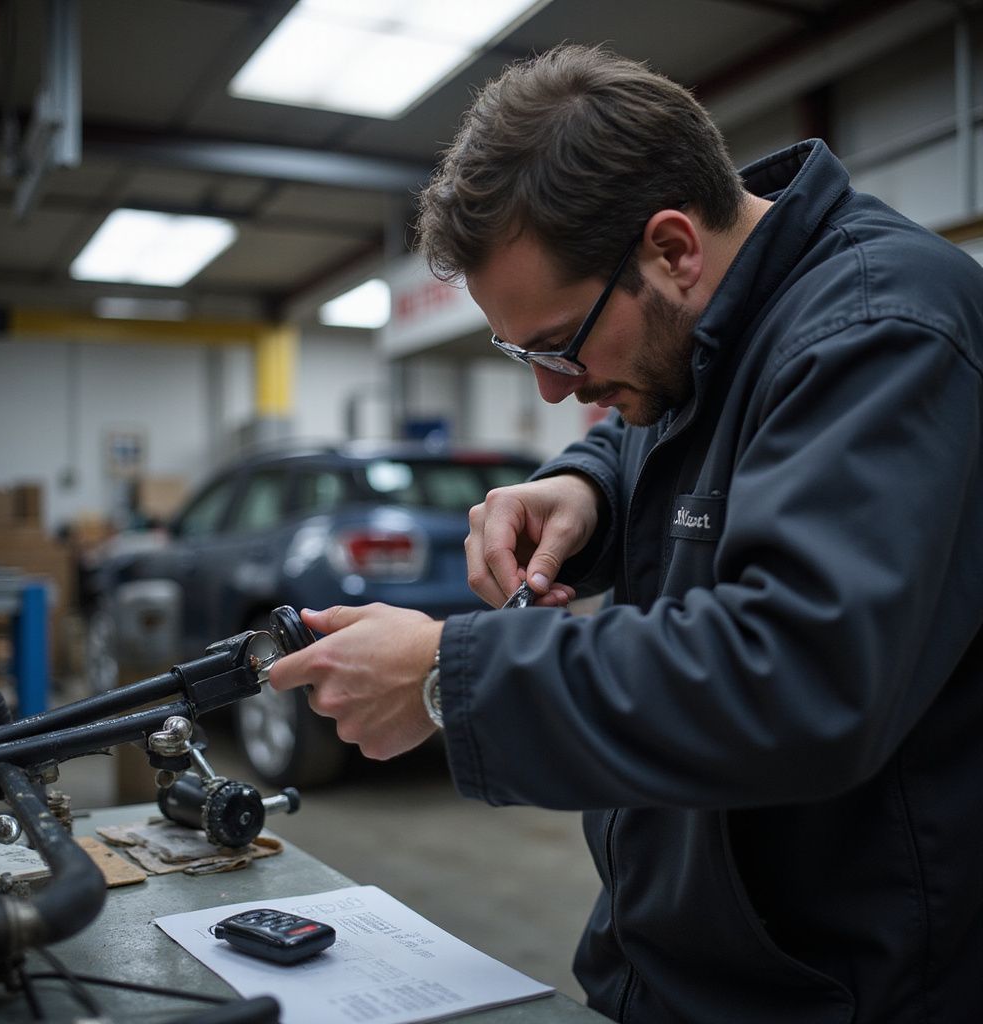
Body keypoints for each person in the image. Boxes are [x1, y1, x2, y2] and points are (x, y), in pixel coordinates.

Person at [269, 44, 983, 1024]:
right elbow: (668, 434)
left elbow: (799, 675)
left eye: (559, 343)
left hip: (835, 991)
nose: (551, 388)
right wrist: (582, 482)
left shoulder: (880, 330)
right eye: (520, 351)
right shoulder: (712, 320)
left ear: (673, 248)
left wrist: (451, 674)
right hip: (678, 968)